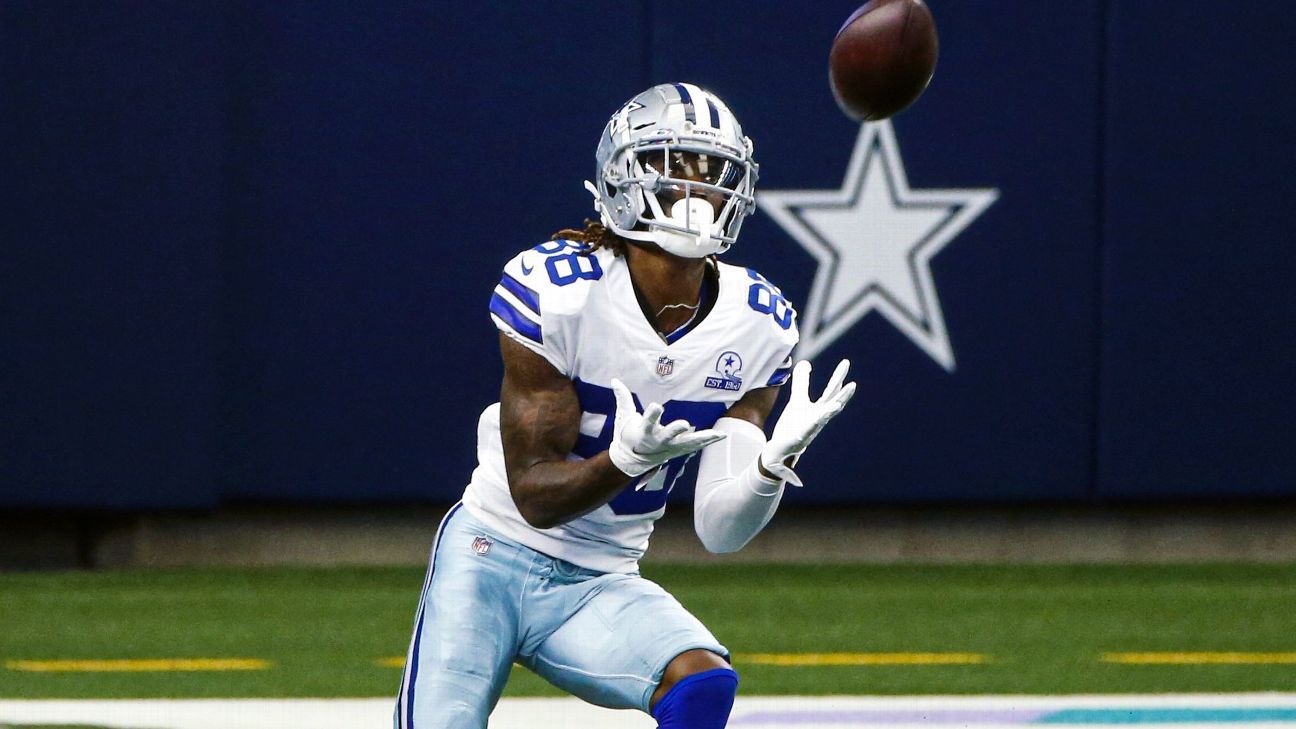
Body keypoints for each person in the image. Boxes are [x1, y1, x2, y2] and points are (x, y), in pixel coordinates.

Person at [395, 82, 855, 729]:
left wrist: (768, 468)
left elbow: (720, 532)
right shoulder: (559, 290)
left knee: (703, 684)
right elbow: (535, 495)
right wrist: (626, 458)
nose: (696, 195)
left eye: (710, 176)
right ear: (622, 183)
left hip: (601, 576)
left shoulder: (758, 322)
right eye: (675, 174)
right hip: (491, 555)